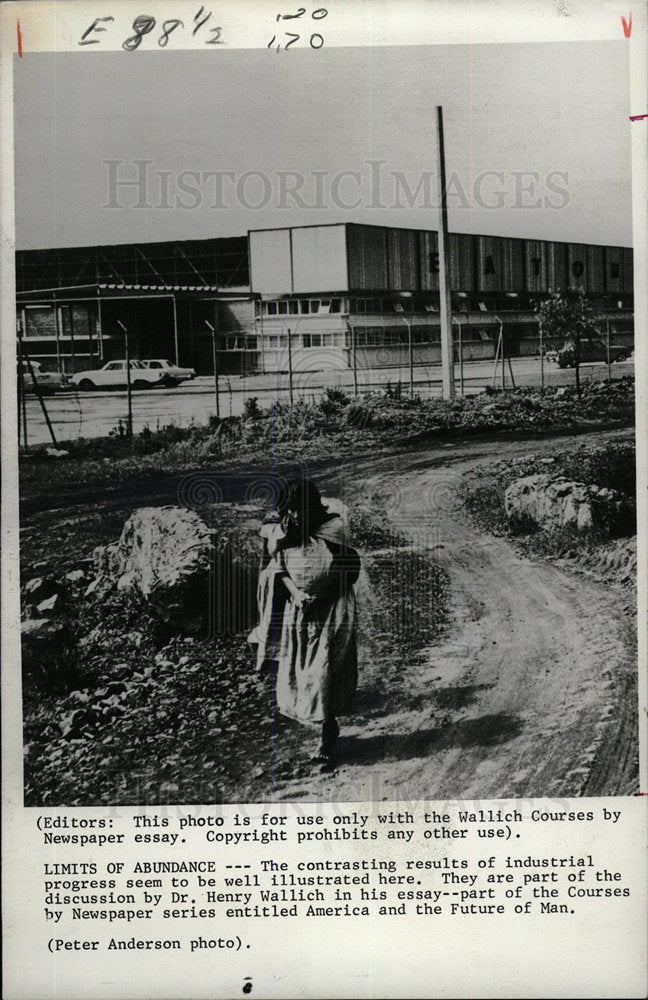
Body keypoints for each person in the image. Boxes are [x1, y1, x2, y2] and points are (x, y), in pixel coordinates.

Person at [248, 478, 359, 765]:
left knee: (324, 668)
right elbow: (279, 569)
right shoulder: (283, 532)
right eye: (290, 510)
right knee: (304, 669)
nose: (295, 515)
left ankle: (326, 732)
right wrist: (297, 594)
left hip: (332, 609)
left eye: (300, 509)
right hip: (299, 611)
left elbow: (351, 568)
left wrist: (320, 599)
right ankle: (325, 722)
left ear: (312, 506)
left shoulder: (333, 529)